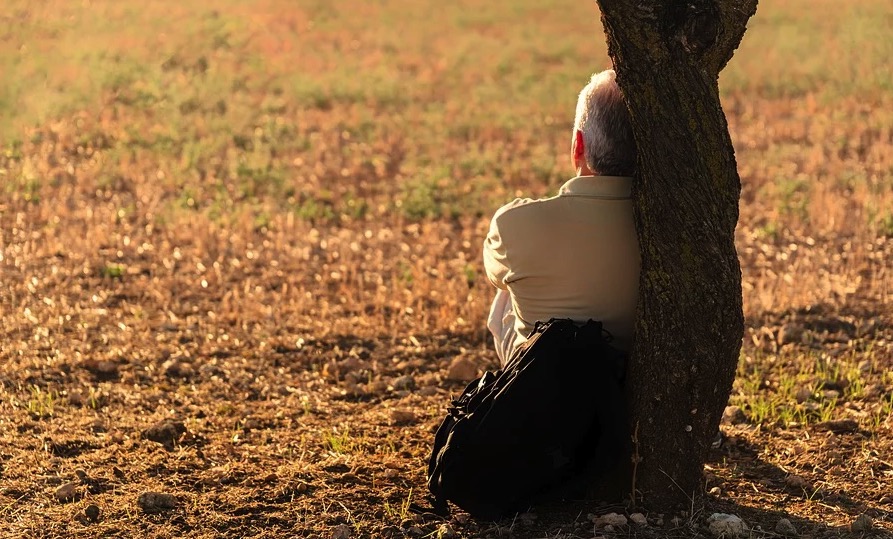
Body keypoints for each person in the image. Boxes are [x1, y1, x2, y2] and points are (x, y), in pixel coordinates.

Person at [484, 69, 640, 364]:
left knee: (507, 290)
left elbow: (494, 275)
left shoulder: (513, 224)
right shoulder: (670, 229)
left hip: (543, 387)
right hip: (627, 385)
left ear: (578, 145)